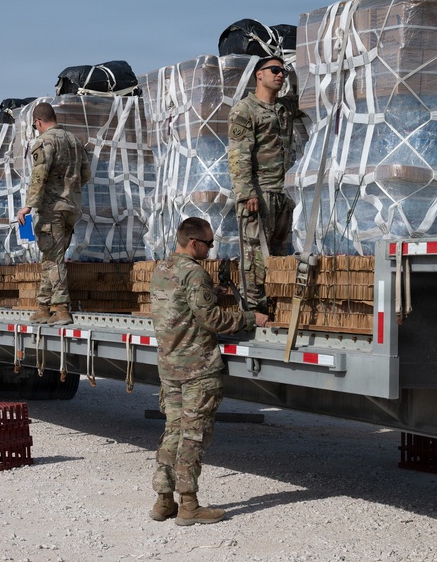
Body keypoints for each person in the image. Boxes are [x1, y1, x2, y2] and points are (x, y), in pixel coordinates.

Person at [149, 217, 269, 526]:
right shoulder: (194, 273)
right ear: (193, 243)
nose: (211, 250)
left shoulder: (162, 270)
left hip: (170, 367)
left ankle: (163, 501)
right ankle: (189, 506)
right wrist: (250, 319)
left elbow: (181, 307)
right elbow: (212, 320)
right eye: (208, 244)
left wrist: (209, 292)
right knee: (193, 436)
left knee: (173, 432)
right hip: (197, 370)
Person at [227, 56, 306, 314]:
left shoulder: (284, 108)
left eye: (283, 71)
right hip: (258, 194)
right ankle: (254, 310)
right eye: (274, 70)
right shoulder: (245, 110)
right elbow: (238, 156)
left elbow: (310, 92)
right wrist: (246, 193)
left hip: (283, 193)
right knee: (253, 256)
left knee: (279, 252)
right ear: (258, 75)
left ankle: (275, 305)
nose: (280, 75)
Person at [16, 103, 91, 326]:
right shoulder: (75, 141)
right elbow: (85, 173)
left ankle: (61, 308)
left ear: (38, 122)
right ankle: (42, 306)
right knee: (50, 257)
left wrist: (28, 206)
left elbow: (39, 175)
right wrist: (70, 188)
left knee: (54, 258)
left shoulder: (44, 141)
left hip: (53, 208)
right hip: (71, 207)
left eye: (35, 126)